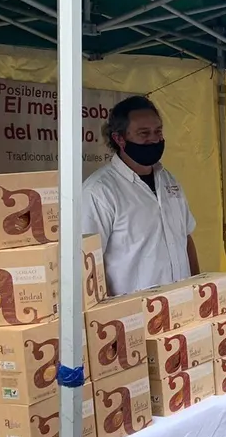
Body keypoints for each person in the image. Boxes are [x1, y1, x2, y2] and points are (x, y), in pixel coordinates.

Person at [82, 95, 199, 296]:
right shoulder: (99, 191)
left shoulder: (169, 181)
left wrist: (199, 288)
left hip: (182, 307)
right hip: (134, 316)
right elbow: (88, 262)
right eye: (144, 133)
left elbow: (185, 238)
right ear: (119, 138)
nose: (154, 139)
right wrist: (112, 314)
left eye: (158, 131)